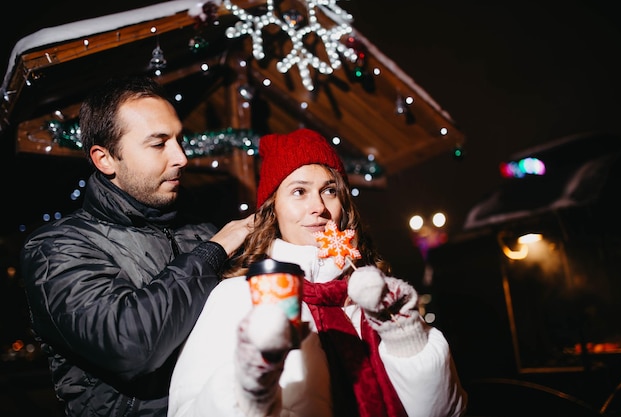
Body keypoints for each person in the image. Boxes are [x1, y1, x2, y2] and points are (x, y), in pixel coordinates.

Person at [168, 128, 467, 417]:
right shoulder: (237, 297)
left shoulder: (375, 295)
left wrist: (407, 339)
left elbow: (443, 411)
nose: (318, 207)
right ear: (273, 210)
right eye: (299, 191)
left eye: (329, 191)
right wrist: (248, 391)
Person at [20, 75, 253, 416]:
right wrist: (211, 253)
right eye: (159, 144)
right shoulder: (56, 248)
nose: (182, 157)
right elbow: (129, 344)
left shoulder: (200, 230)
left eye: (179, 139)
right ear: (105, 159)